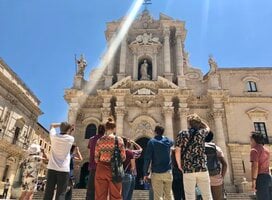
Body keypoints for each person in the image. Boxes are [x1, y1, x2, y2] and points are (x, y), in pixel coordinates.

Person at [175, 114, 213, 200]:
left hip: (188, 169)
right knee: (207, 195)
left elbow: (177, 151)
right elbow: (208, 128)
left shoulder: (182, 134)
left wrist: (179, 165)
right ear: (198, 123)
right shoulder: (202, 133)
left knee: (190, 196)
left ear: (189, 123)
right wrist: (200, 122)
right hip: (202, 168)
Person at [94, 118, 126, 200]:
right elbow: (123, 157)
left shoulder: (99, 140)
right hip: (114, 169)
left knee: (100, 195)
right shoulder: (119, 140)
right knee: (116, 195)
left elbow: (96, 158)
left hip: (101, 168)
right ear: (114, 128)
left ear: (105, 128)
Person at [43, 122, 75, 200]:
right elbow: (68, 135)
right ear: (68, 130)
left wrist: (61, 124)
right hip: (64, 170)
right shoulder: (71, 139)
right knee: (61, 193)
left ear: (60, 128)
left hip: (52, 168)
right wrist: (69, 128)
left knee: (48, 192)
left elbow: (52, 125)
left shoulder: (53, 137)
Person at [143, 125, 174, 200]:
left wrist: (145, 173)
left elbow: (147, 159)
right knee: (169, 194)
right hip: (168, 172)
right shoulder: (168, 140)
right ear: (163, 132)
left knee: (158, 196)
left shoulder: (152, 142)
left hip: (156, 173)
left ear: (155, 132)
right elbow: (172, 143)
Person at [205, 131, 227, 200]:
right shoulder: (216, 148)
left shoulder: (198, 148)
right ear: (212, 138)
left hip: (202, 176)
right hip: (215, 176)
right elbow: (225, 164)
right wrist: (222, 177)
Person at [86, 124, 105, 200]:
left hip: (93, 166)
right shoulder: (106, 140)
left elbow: (89, 147)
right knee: (101, 189)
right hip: (103, 168)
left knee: (90, 189)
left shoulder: (91, 139)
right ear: (105, 131)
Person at [250, 131, 271, 200]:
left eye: (250, 140)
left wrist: (253, 182)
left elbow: (255, 166)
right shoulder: (267, 150)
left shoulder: (254, 150)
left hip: (260, 178)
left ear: (253, 140)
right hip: (268, 177)